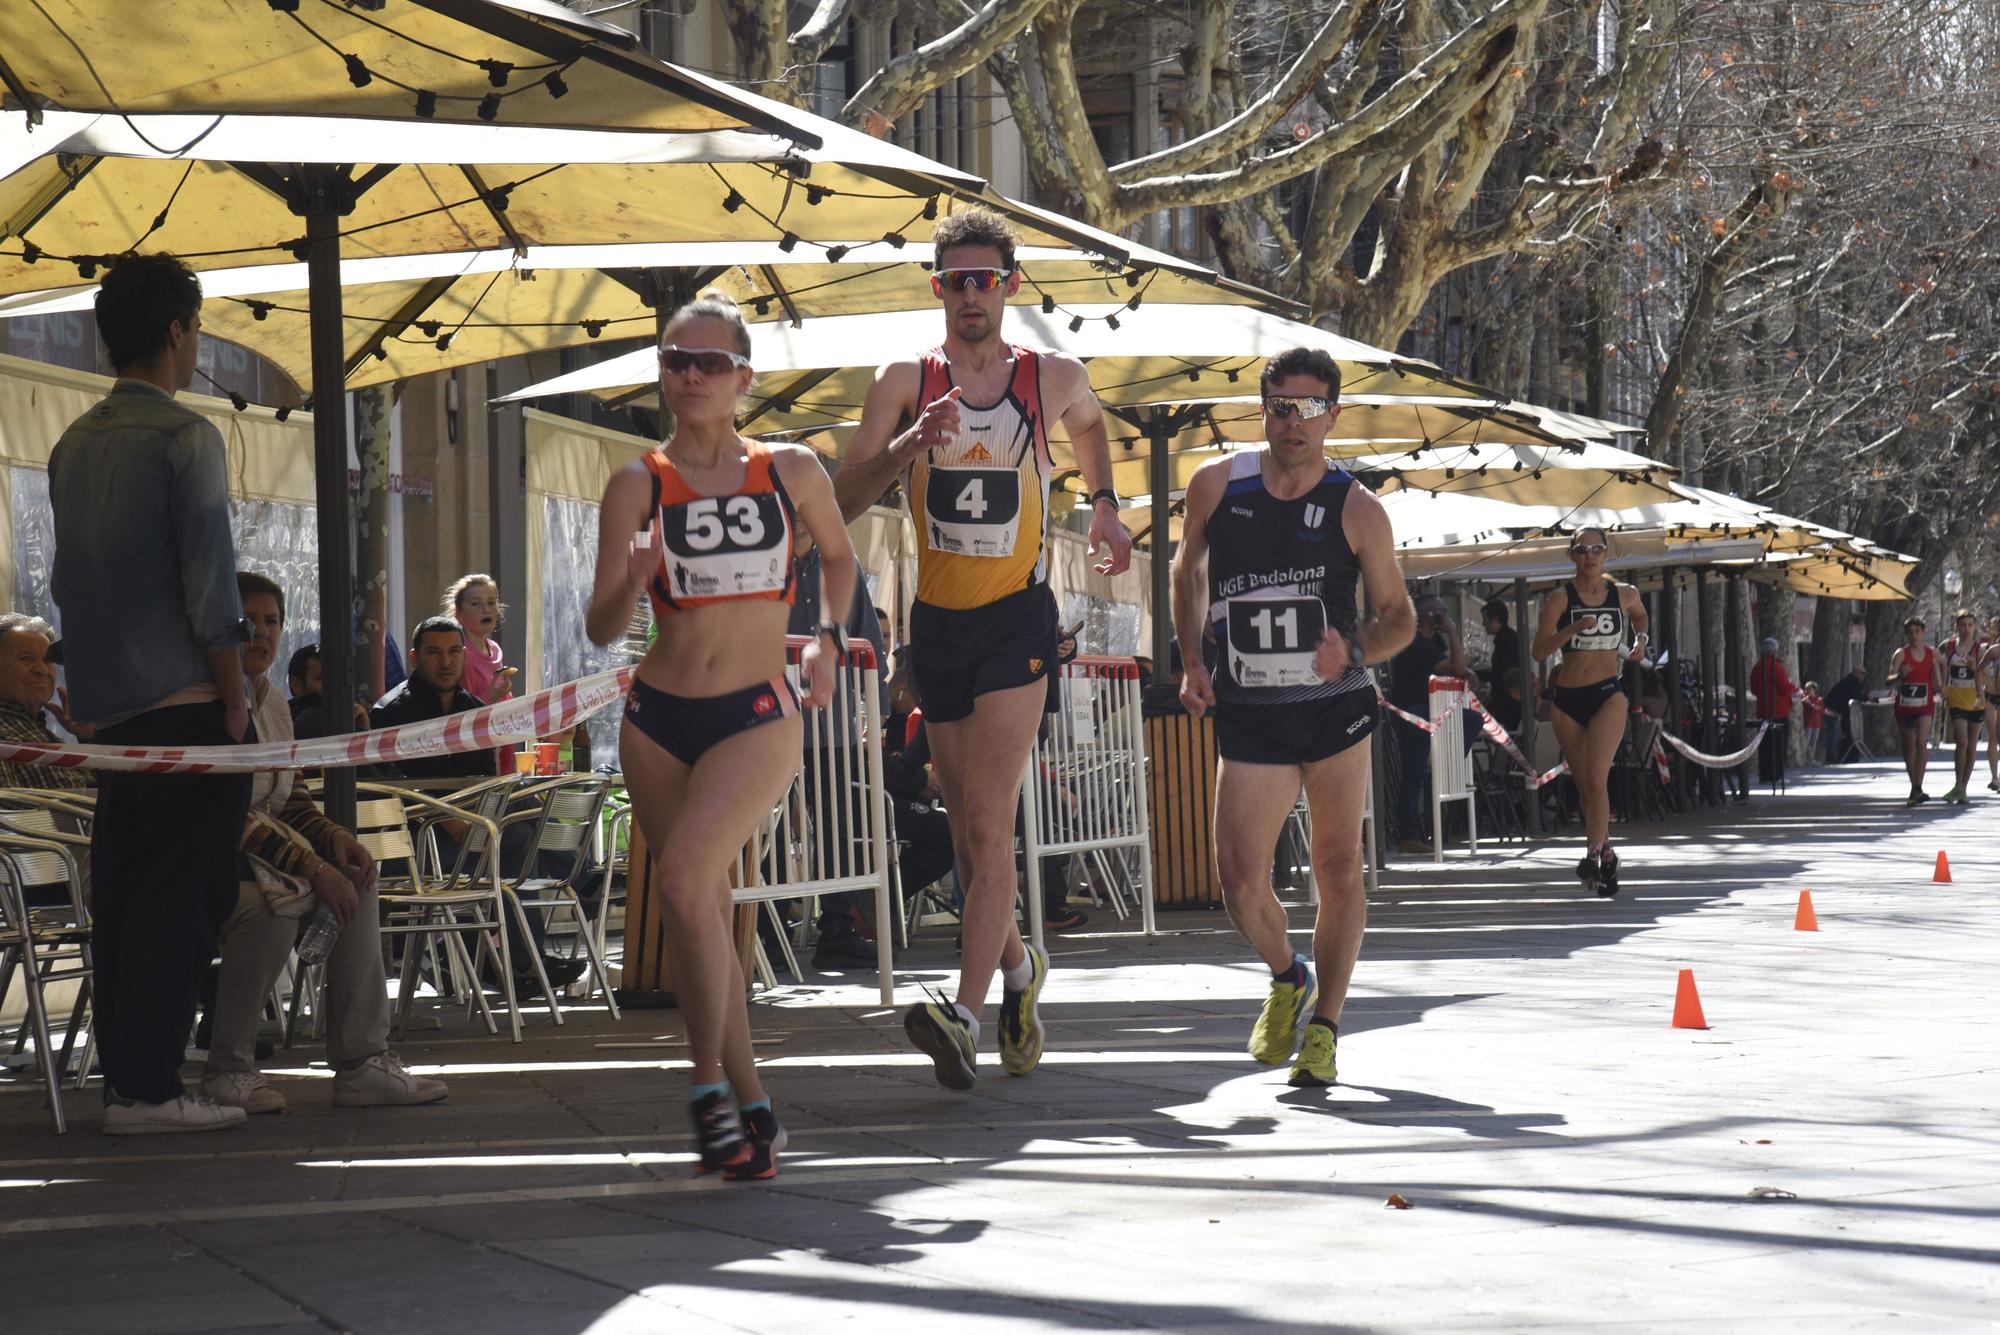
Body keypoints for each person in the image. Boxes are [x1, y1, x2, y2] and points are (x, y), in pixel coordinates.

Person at [829, 206, 1133, 1090]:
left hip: (1017, 622)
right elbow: (841, 496)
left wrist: (1105, 504)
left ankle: (962, 1016)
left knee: (990, 819)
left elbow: (1090, 425)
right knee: (967, 831)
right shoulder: (902, 380)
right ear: (938, 289)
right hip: (939, 625)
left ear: (1010, 288)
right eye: (957, 280)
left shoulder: (1050, 375)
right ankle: (1020, 969)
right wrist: (905, 446)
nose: (972, 294)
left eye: (986, 279)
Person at [586, 290, 858, 1179]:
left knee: (690, 880)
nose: (690, 376)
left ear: (744, 377)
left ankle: (704, 1083)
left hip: (754, 714)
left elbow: (841, 555)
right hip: (658, 719)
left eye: (709, 362)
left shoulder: (791, 469)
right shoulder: (637, 482)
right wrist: (633, 582)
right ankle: (757, 1114)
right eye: (675, 360)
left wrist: (825, 636)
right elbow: (599, 625)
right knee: (694, 910)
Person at [48, 253, 254, 1135]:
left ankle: (129, 1077)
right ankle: (152, 1085)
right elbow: (213, 588)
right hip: (184, 703)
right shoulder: (185, 437)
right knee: (185, 894)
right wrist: (237, 698)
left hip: (110, 713)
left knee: (128, 898)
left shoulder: (71, 443)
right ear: (177, 329)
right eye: (197, 326)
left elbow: (72, 584)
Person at [1171, 345, 1414, 1088]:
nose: (1294, 423)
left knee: (1337, 869)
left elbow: (1399, 616)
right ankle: (1287, 975)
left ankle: (1327, 1029)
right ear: (1263, 409)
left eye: (1310, 409)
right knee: (1240, 882)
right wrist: (1190, 661)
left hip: (1333, 711)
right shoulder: (1216, 485)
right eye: (1281, 406)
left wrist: (1358, 649)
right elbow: (1187, 571)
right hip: (1251, 711)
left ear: (1333, 415)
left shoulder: (1357, 507)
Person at [199, 573, 447, 1114]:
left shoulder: (272, 704)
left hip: (263, 859)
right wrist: (312, 867)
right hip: (204, 862)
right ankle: (229, 1068)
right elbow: (227, 814)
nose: (260, 633)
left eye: (271, 621)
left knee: (358, 881)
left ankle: (362, 1062)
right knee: (271, 910)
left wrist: (335, 839)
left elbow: (288, 798)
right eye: (247, 621)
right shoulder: (202, 701)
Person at [370, 617, 584, 989]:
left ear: (465, 655)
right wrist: (439, 813)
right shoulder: (391, 711)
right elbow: (387, 785)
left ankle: (506, 959)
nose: (445, 661)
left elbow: (484, 780)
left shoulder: (473, 707)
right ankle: (513, 953)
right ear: (416, 657)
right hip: (415, 845)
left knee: (520, 824)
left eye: (454, 652)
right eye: (434, 653)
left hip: (470, 832)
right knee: (517, 836)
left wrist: (477, 813)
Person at [1531, 527, 1649, 895]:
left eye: (1596, 549)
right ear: (1572, 556)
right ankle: (1609, 853)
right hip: (1566, 700)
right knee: (1585, 788)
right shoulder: (1560, 598)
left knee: (1597, 778)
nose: (1589, 556)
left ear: (1606, 554)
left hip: (1607, 695)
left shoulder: (1624, 594)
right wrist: (1573, 629)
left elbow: (1641, 617)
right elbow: (1538, 651)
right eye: (1582, 550)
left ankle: (1592, 856)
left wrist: (1641, 640)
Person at [1385, 596, 1468, 855]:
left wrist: (1466, 672)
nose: (1445, 614)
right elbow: (1457, 667)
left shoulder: (1433, 641)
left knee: (1472, 719)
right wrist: (1453, 630)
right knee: (1414, 775)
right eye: (1440, 610)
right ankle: (1407, 835)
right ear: (1428, 616)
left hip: (1429, 712)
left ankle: (1450, 760)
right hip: (1413, 714)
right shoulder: (1415, 644)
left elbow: (1459, 667)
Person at [0, 613, 94, 791]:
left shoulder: (49, 738)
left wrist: (86, 736)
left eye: (47, 661)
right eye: (26, 658)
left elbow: (109, 795)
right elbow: (9, 809)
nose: (42, 670)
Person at [1887, 615, 1942, 805]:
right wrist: (1899, 675)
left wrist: (1941, 686)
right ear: (1906, 634)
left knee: (1921, 741)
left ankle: (1919, 785)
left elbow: (1942, 664)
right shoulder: (1901, 654)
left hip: (1925, 705)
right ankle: (1914, 786)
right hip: (1905, 706)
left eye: (1917, 631)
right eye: (1910, 632)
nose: (1913, 635)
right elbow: (1889, 679)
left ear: (1923, 633)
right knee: (1908, 745)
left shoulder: (1931, 653)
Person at [1938, 609, 1985, 804]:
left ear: (1974, 627)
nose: (1966, 629)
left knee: (1972, 744)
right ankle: (1957, 784)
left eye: (1970, 625)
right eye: (1962, 625)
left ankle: (1962, 788)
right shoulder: (1947, 647)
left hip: (1976, 700)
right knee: (1962, 741)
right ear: (1956, 626)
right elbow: (1936, 664)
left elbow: (1986, 675)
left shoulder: (1979, 649)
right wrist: (1941, 685)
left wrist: (1975, 668)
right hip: (1956, 699)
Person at [1749, 636, 1796, 786]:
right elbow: (1784, 687)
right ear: (1775, 651)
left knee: (1765, 744)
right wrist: (1794, 689)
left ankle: (1765, 774)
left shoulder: (1757, 667)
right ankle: (1776, 775)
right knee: (1778, 745)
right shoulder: (1777, 667)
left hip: (1763, 710)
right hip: (1779, 710)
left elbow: (1755, 690)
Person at [1822, 663, 1868, 764]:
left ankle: (1840, 756)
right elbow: (1855, 694)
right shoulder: (1850, 681)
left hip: (1840, 709)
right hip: (1833, 708)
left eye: (1864, 674)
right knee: (1833, 734)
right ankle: (1831, 757)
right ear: (1856, 672)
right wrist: (1868, 698)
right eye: (1862, 673)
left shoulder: (1856, 681)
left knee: (1840, 733)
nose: (1863, 676)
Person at [1479, 599, 1520, 696]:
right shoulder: (1507, 637)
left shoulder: (1506, 640)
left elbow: (1500, 673)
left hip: (1506, 700)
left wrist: (1476, 674)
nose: (1483, 624)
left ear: (1495, 619)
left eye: (1485, 620)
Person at [1982, 617, 2000, 792]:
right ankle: (1995, 778)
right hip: (1990, 696)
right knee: (1993, 736)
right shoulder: (1987, 649)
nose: (1993, 631)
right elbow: (1979, 670)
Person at [1800, 681, 1826, 763]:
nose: (1809, 691)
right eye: (1808, 689)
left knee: (1813, 742)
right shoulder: (1805, 699)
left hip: (1816, 723)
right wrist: (1814, 706)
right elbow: (1814, 708)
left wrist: (1813, 706)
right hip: (1808, 723)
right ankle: (1804, 758)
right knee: (1806, 742)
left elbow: (1821, 710)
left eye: (1811, 689)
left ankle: (1811, 759)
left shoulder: (1819, 699)